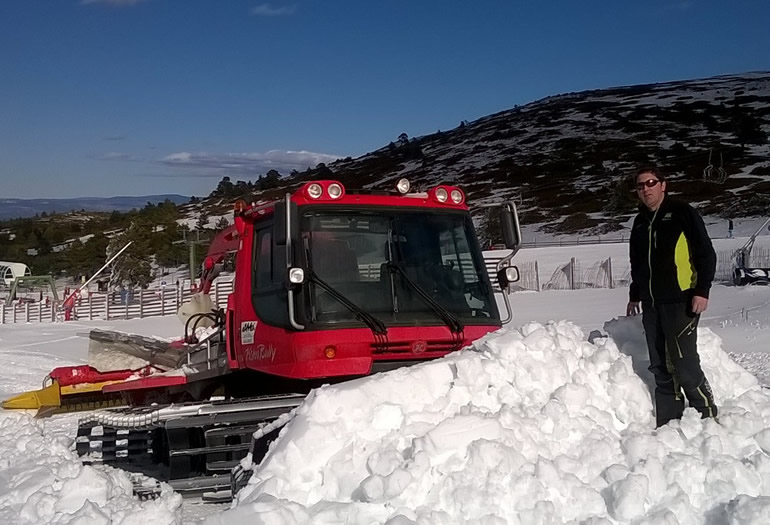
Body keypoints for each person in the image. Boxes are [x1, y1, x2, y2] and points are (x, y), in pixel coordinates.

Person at [626, 167, 718, 427]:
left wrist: (702, 290)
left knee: (684, 362)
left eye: (651, 183)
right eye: (640, 185)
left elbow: (705, 253)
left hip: (681, 300)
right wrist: (635, 294)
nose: (646, 189)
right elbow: (638, 262)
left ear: (663, 185)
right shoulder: (640, 222)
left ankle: (707, 415)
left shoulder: (681, 213)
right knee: (660, 364)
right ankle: (668, 421)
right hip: (652, 303)